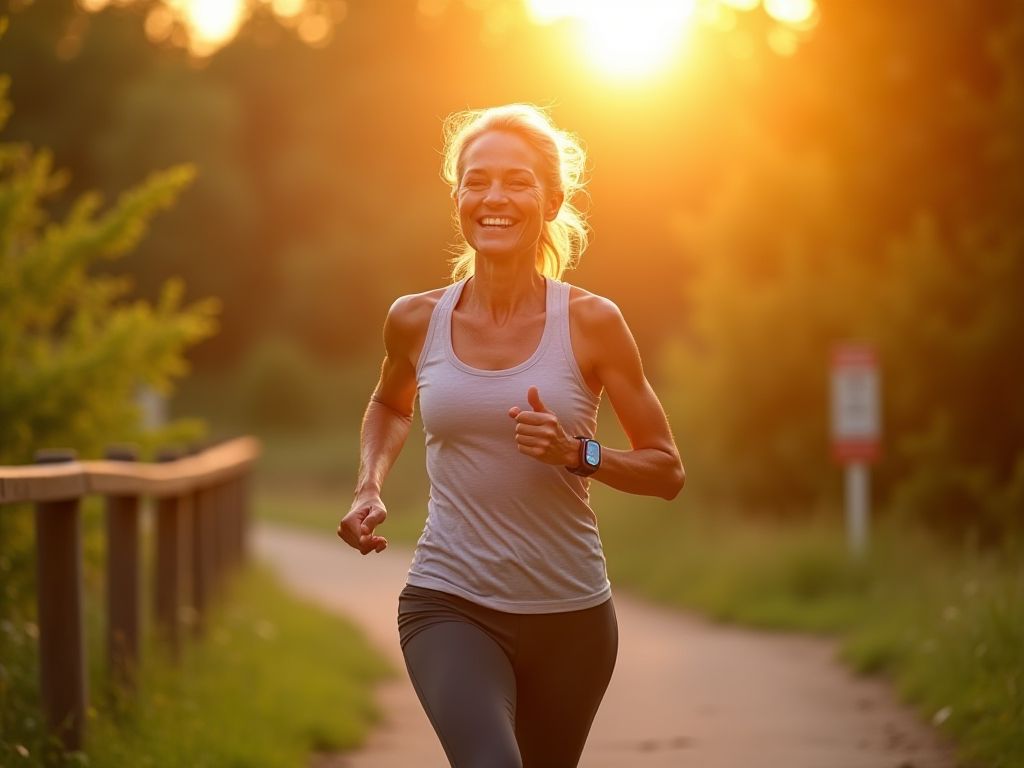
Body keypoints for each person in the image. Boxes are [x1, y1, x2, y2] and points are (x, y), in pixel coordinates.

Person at [337, 103, 684, 768]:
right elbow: (389, 403)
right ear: (459, 197)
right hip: (449, 601)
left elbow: (666, 470)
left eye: (517, 181)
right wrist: (366, 486)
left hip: (572, 615)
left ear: (551, 202)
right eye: (477, 180)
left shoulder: (592, 323)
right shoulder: (415, 320)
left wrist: (577, 452)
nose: (494, 196)